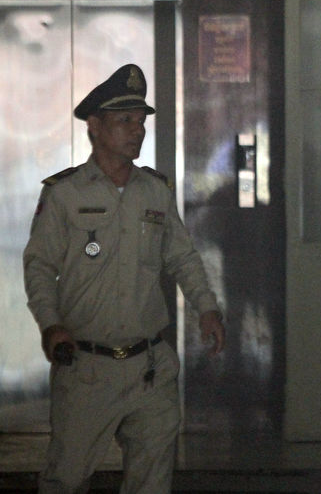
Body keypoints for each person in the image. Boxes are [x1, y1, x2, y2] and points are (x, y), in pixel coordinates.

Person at [23, 63, 225, 494]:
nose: (137, 131)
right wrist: (50, 324)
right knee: (66, 479)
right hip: (86, 368)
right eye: (125, 121)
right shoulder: (64, 194)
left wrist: (207, 307)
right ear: (95, 127)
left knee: (152, 482)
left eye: (141, 121)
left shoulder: (154, 191)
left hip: (149, 366)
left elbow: (183, 256)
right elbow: (39, 265)